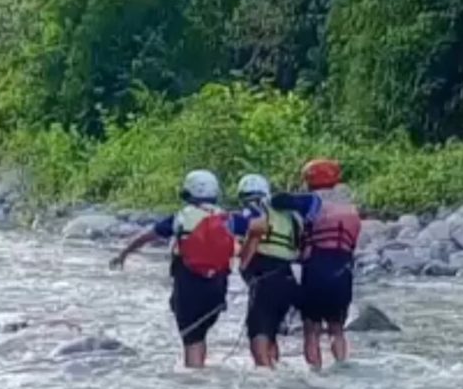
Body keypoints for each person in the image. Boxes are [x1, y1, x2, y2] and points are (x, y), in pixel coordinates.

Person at [110, 170, 247, 368]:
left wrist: (123, 255)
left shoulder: (180, 218)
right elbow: (260, 228)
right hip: (217, 289)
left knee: (191, 339)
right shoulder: (231, 220)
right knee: (199, 335)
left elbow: (146, 237)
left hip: (188, 287)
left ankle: (195, 388)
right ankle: (203, 375)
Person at [269, 158, 361, 370]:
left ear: (310, 180)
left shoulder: (311, 200)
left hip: (316, 269)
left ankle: (316, 371)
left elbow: (278, 201)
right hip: (343, 271)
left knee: (312, 329)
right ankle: (341, 364)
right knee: (337, 328)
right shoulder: (349, 206)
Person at [237, 173, 302, 369]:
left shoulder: (255, 212)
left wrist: (243, 267)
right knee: (271, 330)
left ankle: (265, 373)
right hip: (288, 278)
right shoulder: (291, 217)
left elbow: (251, 246)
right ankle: (275, 367)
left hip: (264, 277)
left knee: (258, 330)